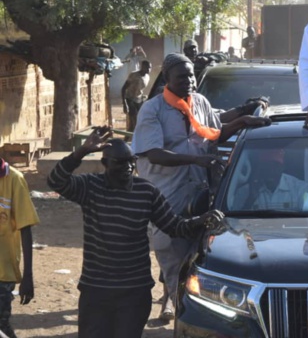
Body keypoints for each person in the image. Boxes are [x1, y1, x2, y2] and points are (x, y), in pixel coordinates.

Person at [47, 129, 225, 338]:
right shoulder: (90, 187)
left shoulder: (146, 191)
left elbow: (174, 226)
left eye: (131, 161)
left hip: (134, 290)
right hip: (96, 289)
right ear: (106, 164)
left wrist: (200, 220)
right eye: (120, 162)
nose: (128, 167)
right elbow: (55, 181)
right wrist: (82, 151)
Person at [132, 53, 270, 320]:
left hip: (200, 193)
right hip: (166, 196)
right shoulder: (153, 109)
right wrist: (197, 158)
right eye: (182, 76)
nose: (189, 81)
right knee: (170, 254)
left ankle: (188, 310)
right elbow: (154, 153)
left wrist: (243, 119)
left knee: (197, 255)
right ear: (167, 79)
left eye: (192, 75)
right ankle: (178, 309)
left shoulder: (200, 103)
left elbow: (214, 131)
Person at [0, 157, 38, 338]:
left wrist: (27, 276)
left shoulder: (14, 179)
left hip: (3, 272)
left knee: (2, 325)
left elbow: (25, 228)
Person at [232, 149, 308, 210]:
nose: (271, 170)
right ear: (261, 167)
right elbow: (234, 223)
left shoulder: (300, 189)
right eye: (267, 165)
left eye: (275, 165)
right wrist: (251, 199)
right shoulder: (245, 191)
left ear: (282, 167)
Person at [121, 60, 151, 132]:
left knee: (140, 120)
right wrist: (124, 103)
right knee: (134, 120)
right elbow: (124, 88)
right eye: (147, 67)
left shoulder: (147, 77)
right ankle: (131, 137)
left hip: (139, 100)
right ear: (142, 67)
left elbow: (141, 89)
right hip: (130, 99)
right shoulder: (133, 75)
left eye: (150, 68)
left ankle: (129, 137)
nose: (149, 69)